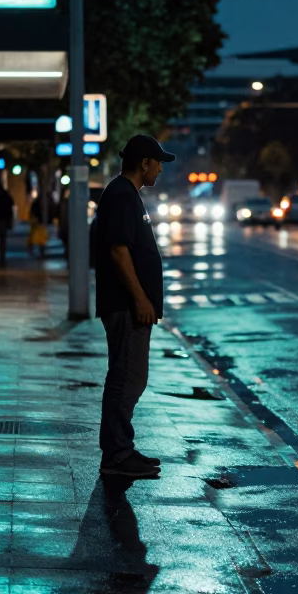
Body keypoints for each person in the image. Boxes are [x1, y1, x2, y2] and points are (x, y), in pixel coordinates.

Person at [94, 133, 176, 479]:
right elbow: (118, 250)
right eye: (158, 163)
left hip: (129, 306)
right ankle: (116, 454)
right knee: (127, 378)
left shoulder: (126, 195)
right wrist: (140, 298)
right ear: (144, 164)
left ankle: (121, 448)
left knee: (129, 376)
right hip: (126, 306)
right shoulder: (122, 195)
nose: (160, 170)